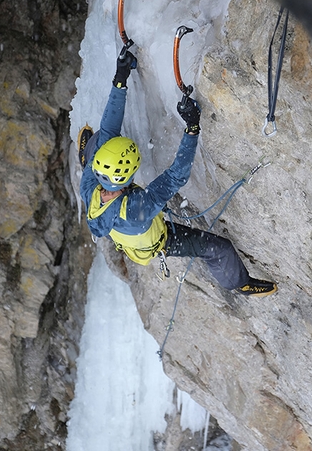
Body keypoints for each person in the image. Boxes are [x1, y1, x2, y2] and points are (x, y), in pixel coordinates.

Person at [77, 50, 277, 297]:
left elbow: (109, 129)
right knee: (218, 249)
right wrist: (192, 128)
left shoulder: (89, 184)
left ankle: (85, 155)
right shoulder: (137, 208)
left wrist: (120, 78)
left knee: (99, 139)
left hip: (113, 219)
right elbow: (176, 177)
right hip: (157, 241)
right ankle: (239, 284)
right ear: (127, 178)